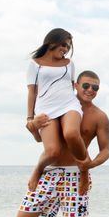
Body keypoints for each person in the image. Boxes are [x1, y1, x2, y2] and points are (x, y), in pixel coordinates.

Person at [15, 70, 109, 217]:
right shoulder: (58, 107)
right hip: (48, 171)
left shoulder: (99, 116)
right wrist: (32, 125)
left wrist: (89, 165)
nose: (91, 90)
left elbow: (105, 150)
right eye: (86, 85)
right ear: (75, 85)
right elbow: (39, 138)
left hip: (76, 174)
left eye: (95, 87)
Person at [25, 28, 91, 194]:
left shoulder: (69, 64)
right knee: (53, 152)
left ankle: (84, 170)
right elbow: (32, 92)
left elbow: (70, 87)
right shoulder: (35, 64)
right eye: (63, 44)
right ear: (51, 42)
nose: (65, 49)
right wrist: (30, 118)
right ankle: (38, 169)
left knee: (71, 133)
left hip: (69, 105)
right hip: (46, 108)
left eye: (68, 46)